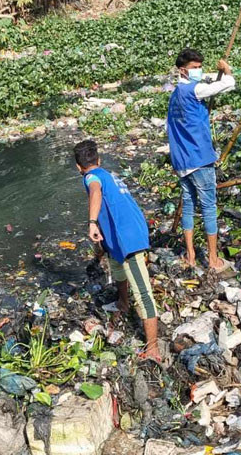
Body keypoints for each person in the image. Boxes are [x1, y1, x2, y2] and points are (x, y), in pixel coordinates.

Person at [74, 139, 161, 362]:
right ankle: (122, 302)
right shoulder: (108, 174)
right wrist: (101, 246)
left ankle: (153, 348)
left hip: (128, 237)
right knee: (116, 266)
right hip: (124, 231)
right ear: (99, 160)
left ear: (78, 167)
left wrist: (91, 222)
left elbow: (95, 192)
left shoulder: (91, 177)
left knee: (143, 293)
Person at [167, 49, 236, 271]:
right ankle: (214, 260)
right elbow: (226, 85)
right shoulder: (192, 90)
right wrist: (227, 71)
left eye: (199, 67)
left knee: (188, 205)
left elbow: (206, 84)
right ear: (183, 70)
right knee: (208, 207)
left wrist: (210, 76)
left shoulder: (176, 94)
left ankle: (190, 255)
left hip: (182, 160)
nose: (199, 71)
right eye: (195, 68)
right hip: (199, 157)